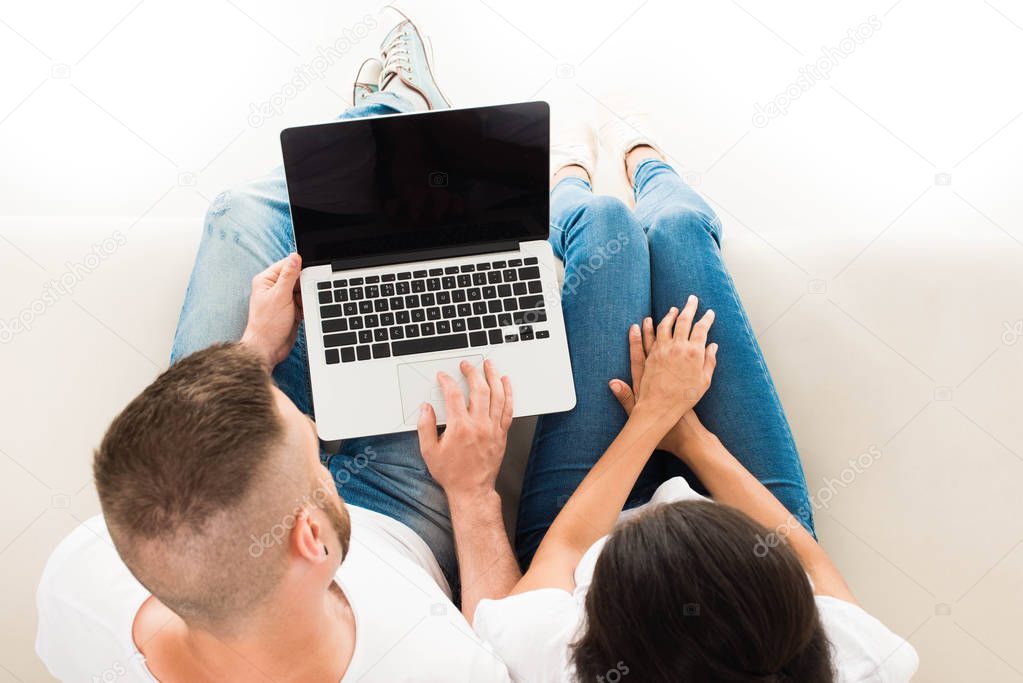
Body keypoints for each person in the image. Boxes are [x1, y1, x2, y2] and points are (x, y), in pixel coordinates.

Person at [35, 12, 520, 682]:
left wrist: (255, 350)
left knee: (238, 214)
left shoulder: (77, 578)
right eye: (312, 451)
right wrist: (472, 494)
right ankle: (398, 115)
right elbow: (513, 640)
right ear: (313, 540)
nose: (320, 430)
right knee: (401, 231)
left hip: (222, 496)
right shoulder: (434, 664)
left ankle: (390, 115)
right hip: (403, 506)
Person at [470, 114, 921, 681]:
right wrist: (693, 440)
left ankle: (568, 184)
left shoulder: (543, 658)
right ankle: (649, 165)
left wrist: (656, 419)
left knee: (607, 229)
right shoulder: (865, 666)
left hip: (588, 523)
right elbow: (808, 560)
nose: (668, 500)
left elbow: (569, 548)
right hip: (742, 536)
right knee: (680, 229)